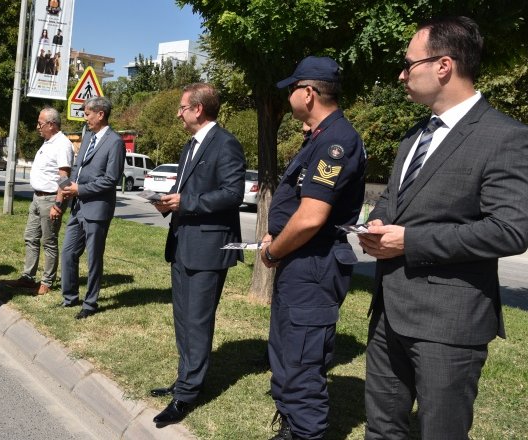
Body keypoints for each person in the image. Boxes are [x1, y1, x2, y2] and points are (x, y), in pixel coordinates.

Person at [358, 16, 528, 439]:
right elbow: (394, 199)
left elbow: (510, 229)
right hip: (388, 313)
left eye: (408, 64)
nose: (401, 75)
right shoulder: (414, 135)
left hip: (448, 324)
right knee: (381, 429)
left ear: (443, 66)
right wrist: (379, 222)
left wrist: (411, 241)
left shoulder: (505, 137)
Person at [260, 56, 366, 440]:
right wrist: (276, 237)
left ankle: (304, 432)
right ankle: (291, 428)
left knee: (302, 365)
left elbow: (310, 218)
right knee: (287, 356)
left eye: (292, 89)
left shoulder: (336, 141)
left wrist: (273, 251)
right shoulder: (319, 137)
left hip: (314, 266)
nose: (288, 96)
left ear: (308, 93)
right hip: (302, 263)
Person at [149, 83, 246, 427]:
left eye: (182, 108)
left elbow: (233, 194)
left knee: (198, 321)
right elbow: (185, 189)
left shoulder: (226, 144)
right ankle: (185, 379)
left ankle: (187, 394)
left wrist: (185, 202)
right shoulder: (190, 145)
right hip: (182, 244)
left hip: (207, 250)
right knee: (183, 319)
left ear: (198, 109)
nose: (178, 114)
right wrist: (168, 202)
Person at [59, 96, 125, 319]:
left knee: (93, 258)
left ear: (100, 114)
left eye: (87, 114)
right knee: (68, 252)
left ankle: (90, 303)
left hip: (97, 208)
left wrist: (80, 189)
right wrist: (68, 187)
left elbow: (111, 179)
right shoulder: (88, 136)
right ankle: (70, 297)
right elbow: (78, 167)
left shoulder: (115, 142)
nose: (85, 118)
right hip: (78, 206)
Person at [4, 107, 73, 295]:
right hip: (37, 198)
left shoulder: (62, 144)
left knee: (49, 241)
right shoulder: (47, 143)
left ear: (51, 124)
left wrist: (58, 204)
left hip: (51, 199)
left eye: (40, 123)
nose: (37, 127)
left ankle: (47, 282)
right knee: (31, 238)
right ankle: (28, 277)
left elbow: (64, 177)